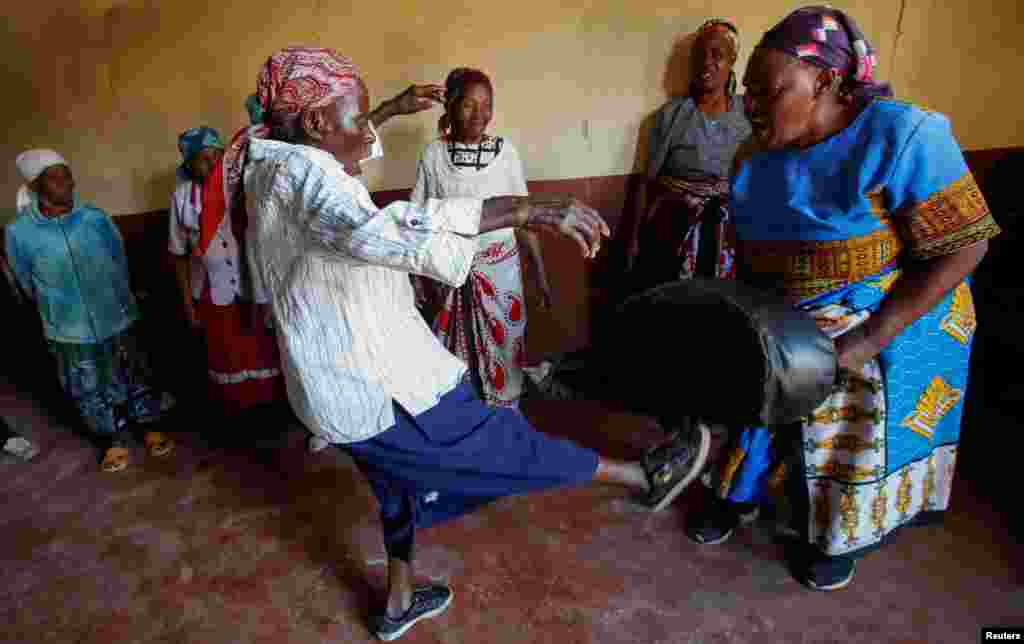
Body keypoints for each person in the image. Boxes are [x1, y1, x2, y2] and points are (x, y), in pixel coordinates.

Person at [237, 47, 709, 641]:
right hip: (374, 383)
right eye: (359, 118)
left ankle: (399, 600)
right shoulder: (303, 175)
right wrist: (525, 208)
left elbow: (351, 170)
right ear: (314, 124)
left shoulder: (273, 162)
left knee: (397, 482)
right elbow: (381, 228)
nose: (367, 133)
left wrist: (382, 112)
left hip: (343, 380)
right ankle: (641, 475)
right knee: (501, 444)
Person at [687, 6, 1001, 592]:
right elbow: (753, 256)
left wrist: (867, 338)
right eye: (745, 90)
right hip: (793, 307)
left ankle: (833, 535)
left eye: (766, 89)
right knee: (758, 379)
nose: (749, 104)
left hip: (896, 311)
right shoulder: (753, 157)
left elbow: (966, 249)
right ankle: (739, 493)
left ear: (824, 81)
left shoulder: (904, 134)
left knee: (840, 417)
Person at [5, 150, 176, 472]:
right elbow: (25, 279)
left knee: (134, 371)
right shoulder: (20, 233)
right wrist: (56, 307)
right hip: (67, 326)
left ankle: (150, 426)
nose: (67, 184)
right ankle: (110, 440)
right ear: (36, 186)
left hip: (115, 313)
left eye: (67, 175)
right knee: (86, 386)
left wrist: (121, 300)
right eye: (55, 178)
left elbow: (119, 260)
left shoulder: (94, 218)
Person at [410, 67, 550, 408]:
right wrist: (414, 278)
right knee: (455, 350)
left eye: (487, 105)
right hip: (451, 271)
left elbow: (523, 217)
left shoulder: (506, 153)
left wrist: (540, 274)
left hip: (502, 271)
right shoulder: (434, 155)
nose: (480, 114)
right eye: (469, 104)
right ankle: (468, 413)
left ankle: (507, 411)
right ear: (451, 106)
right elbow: (418, 220)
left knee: (507, 344)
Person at [168, 126, 290, 441]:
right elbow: (179, 254)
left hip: (256, 290)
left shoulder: (245, 188)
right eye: (201, 159)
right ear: (188, 164)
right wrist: (187, 305)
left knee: (263, 352)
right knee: (226, 354)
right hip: (211, 292)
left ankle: (271, 420)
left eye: (216, 156)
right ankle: (238, 425)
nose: (211, 164)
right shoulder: (182, 197)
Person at [625, 18, 751, 289]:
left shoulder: (748, 114)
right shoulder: (671, 116)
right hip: (674, 234)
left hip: (732, 237)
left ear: (732, 62)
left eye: (717, 55)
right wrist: (633, 244)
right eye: (699, 55)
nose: (706, 62)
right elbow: (645, 183)